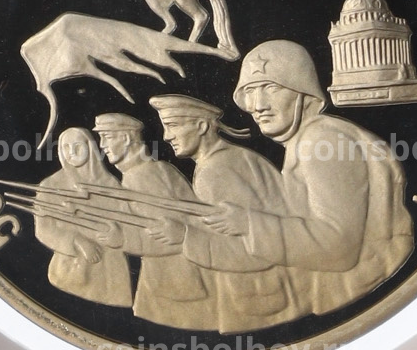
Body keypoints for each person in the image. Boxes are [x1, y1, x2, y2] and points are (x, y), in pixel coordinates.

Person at [208, 41, 414, 318]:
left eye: (271, 88)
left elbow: (339, 246)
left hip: (358, 289)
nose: (258, 106)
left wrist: (247, 224)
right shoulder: (308, 140)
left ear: (303, 91)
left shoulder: (320, 141)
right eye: (250, 92)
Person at [149, 94, 296, 331]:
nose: (166, 136)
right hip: (276, 287)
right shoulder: (242, 156)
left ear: (202, 126)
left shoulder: (214, 172)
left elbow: (250, 248)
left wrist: (185, 236)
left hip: (256, 297)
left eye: (173, 125)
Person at [93, 112, 213, 328]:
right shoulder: (159, 169)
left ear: (126, 138)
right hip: (178, 281)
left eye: (107, 137)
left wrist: (119, 238)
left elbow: (166, 237)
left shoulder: (140, 177)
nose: (102, 145)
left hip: (173, 287)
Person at [32, 127, 133, 308]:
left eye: (77, 146)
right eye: (66, 147)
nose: (72, 152)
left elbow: (129, 224)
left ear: (90, 147)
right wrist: (78, 241)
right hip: (73, 272)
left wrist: (118, 234)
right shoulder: (50, 186)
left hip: (112, 275)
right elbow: (44, 230)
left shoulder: (110, 184)